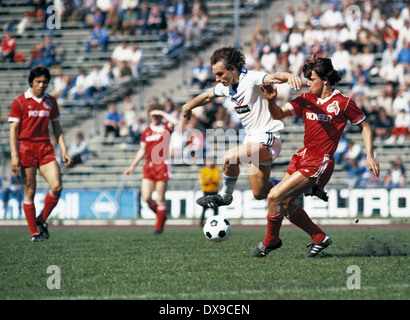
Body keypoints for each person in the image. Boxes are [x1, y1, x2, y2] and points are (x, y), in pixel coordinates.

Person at [253, 55, 380, 258]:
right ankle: (319, 238)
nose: (308, 83)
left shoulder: (343, 103)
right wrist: (271, 101)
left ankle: (270, 242)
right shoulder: (306, 99)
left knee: (274, 195)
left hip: (320, 161)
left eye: (311, 79)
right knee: (285, 205)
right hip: (301, 156)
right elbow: (278, 114)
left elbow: (365, 126)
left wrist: (370, 155)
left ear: (325, 80)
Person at [182, 46, 327, 211]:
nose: (217, 78)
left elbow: (273, 77)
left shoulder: (250, 78)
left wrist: (288, 76)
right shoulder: (227, 86)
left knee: (229, 157)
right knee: (260, 192)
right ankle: (308, 187)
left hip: (268, 137)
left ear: (232, 69)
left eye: (220, 74)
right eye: (215, 74)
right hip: (252, 139)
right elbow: (207, 95)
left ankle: (225, 197)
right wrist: (188, 106)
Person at [8, 66, 72, 242]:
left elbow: (56, 127)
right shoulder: (20, 101)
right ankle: (33, 233)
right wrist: (14, 155)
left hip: (45, 148)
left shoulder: (50, 101)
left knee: (57, 186)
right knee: (30, 191)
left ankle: (41, 220)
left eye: (45, 82)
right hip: (26, 148)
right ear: (31, 82)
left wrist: (64, 149)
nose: (42, 85)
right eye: (38, 82)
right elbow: (13, 130)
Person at [124, 104, 179, 235]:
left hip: (162, 165)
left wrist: (161, 112)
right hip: (149, 166)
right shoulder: (147, 131)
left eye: (156, 115)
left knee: (160, 198)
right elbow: (142, 150)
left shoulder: (165, 127)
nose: (155, 117)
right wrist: (132, 166)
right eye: (152, 115)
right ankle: (161, 216)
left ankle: (158, 227)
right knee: (146, 197)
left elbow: (176, 122)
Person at [199, 159, 222, 227]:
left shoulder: (216, 169)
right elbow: (203, 181)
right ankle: (201, 223)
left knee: (215, 208)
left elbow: (218, 179)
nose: (210, 163)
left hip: (214, 191)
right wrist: (211, 180)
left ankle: (216, 222)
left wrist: (209, 179)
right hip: (206, 191)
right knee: (204, 207)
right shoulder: (203, 170)